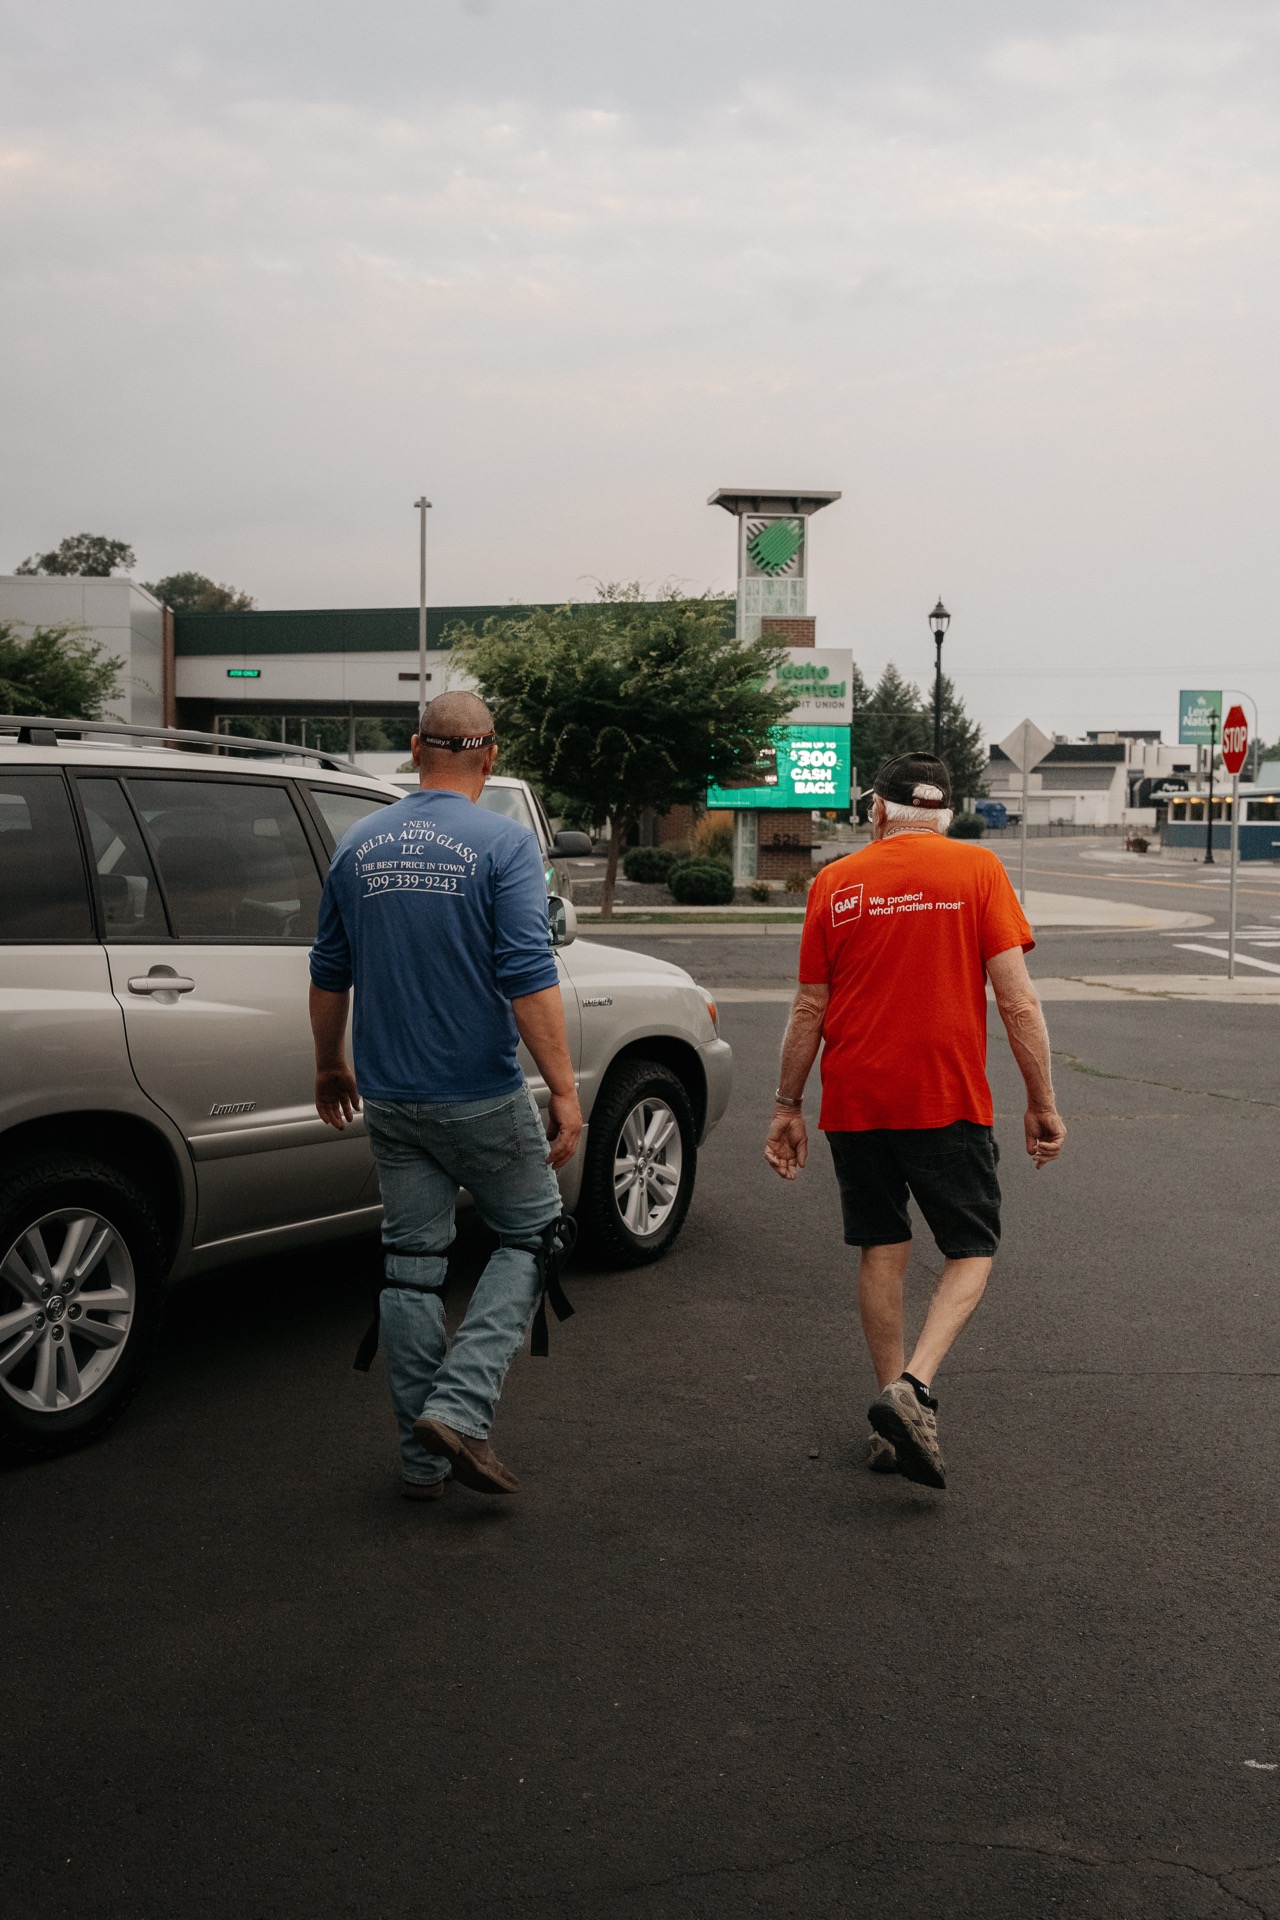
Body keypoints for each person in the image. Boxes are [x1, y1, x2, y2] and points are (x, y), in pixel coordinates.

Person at [763, 752, 1066, 1489]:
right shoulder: (978, 872)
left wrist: (787, 1104)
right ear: (947, 814)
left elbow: (810, 1006)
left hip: (855, 1099)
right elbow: (1018, 1002)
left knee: (883, 1246)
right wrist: (1042, 1102)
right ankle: (914, 1388)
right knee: (970, 1246)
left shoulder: (833, 883)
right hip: (944, 1095)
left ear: (878, 811)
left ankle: (893, 1423)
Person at [308, 691, 582, 1501]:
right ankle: (459, 1409)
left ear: (414, 748)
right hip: (478, 1095)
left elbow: (329, 973)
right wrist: (565, 1090)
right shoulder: (503, 845)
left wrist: (330, 1065)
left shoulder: (357, 843)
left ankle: (422, 1458)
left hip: (391, 1097)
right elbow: (529, 977)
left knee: (413, 1267)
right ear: (489, 755)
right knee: (533, 1235)